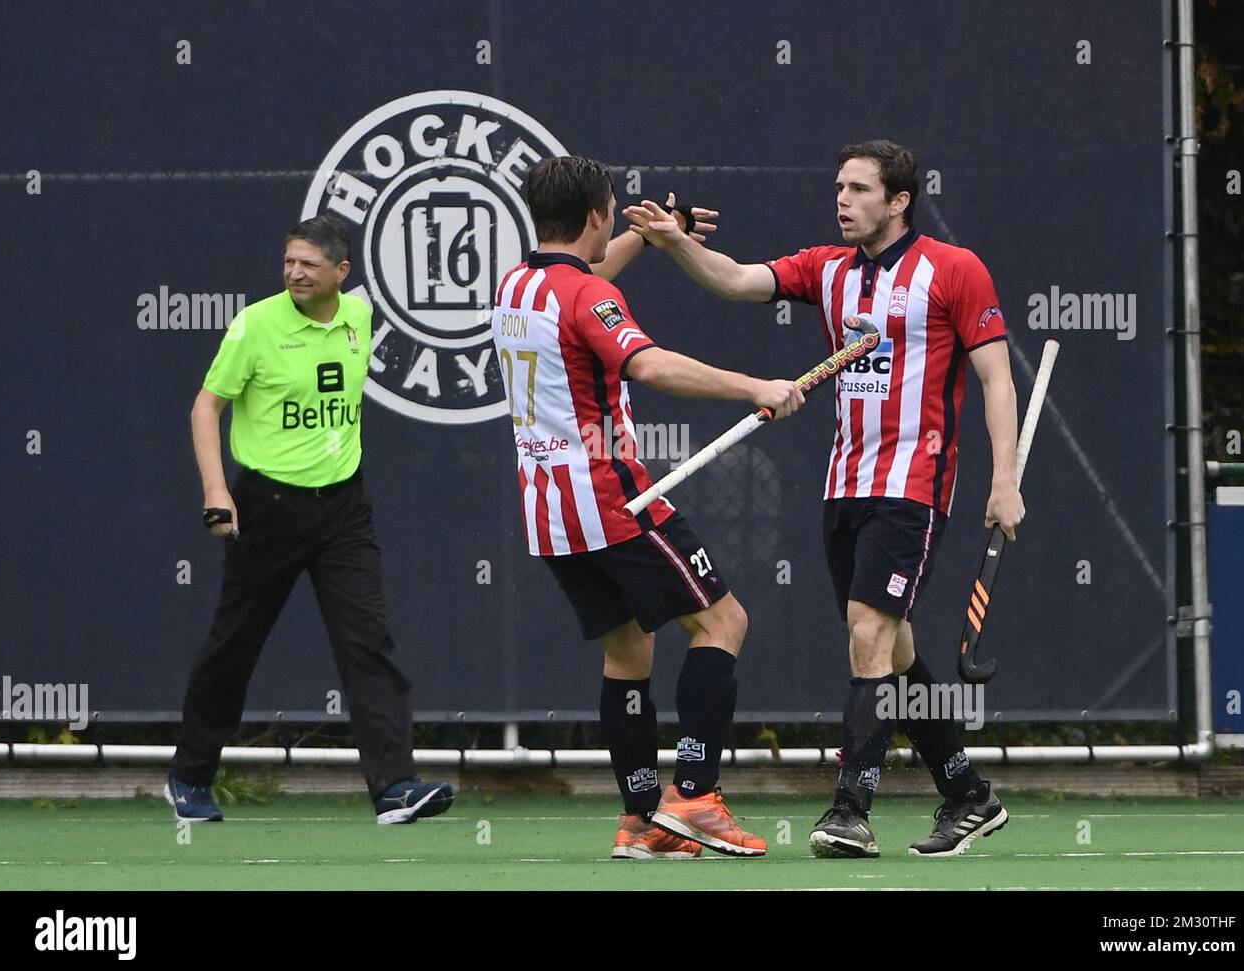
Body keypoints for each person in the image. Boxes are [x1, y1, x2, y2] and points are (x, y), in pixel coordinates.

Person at [626, 139, 1023, 858]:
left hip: (914, 486)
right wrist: (675, 244)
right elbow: (738, 280)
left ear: (899, 201)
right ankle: (968, 795)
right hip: (845, 485)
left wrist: (1005, 481)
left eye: (860, 189)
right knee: (894, 649)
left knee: (867, 632)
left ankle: (851, 810)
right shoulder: (827, 269)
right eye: (839, 187)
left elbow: (996, 378)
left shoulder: (954, 270)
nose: (843, 200)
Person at [492, 155, 804, 858]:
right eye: (612, 211)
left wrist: (665, 234)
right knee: (723, 620)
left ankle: (640, 822)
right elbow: (648, 363)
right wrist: (756, 384)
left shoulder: (518, 286)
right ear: (598, 214)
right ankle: (694, 797)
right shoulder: (586, 299)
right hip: (615, 500)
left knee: (629, 655)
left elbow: (581, 285)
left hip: (550, 514)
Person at [165, 214, 453, 825]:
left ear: (341, 274)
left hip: (345, 505)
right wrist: (217, 491)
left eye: (309, 265)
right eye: (289, 262)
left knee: (368, 643)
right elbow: (205, 405)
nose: (295, 273)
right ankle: (190, 777)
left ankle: (395, 787)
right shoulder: (256, 325)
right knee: (234, 646)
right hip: (267, 506)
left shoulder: (360, 317)